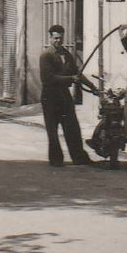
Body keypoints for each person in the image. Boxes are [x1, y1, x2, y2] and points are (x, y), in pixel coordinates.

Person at [38, 25, 94, 167]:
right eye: (55, 38)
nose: (58, 40)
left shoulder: (67, 54)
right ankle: (56, 160)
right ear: (50, 38)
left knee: (72, 127)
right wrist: (70, 79)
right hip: (50, 96)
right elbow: (48, 78)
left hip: (64, 95)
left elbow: (77, 74)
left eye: (61, 38)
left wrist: (93, 88)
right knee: (53, 131)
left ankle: (79, 157)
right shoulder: (46, 56)